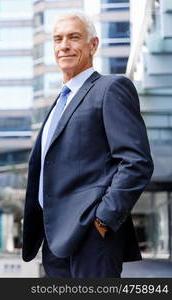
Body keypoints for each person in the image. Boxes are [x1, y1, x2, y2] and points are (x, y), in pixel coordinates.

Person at [21, 11, 154, 278]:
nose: (64, 46)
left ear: (93, 44)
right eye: (58, 39)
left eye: (74, 37)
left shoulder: (110, 88)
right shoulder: (58, 104)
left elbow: (136, 162)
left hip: (91, 238)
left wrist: (103, 220)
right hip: (54, 242)